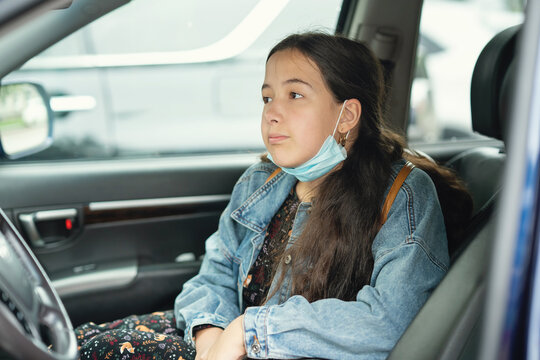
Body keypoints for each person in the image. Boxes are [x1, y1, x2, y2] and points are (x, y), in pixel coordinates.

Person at [75, 32, 472, 360]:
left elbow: (389, 321)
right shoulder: (261, 181)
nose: (272, 113)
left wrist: (248, 332)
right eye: (267, 98)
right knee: (77, 344)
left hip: (280, 349)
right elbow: (213, 275)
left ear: (347, 115)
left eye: (295, 96)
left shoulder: (403, 195)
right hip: (226, 345)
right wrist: (210, 334)